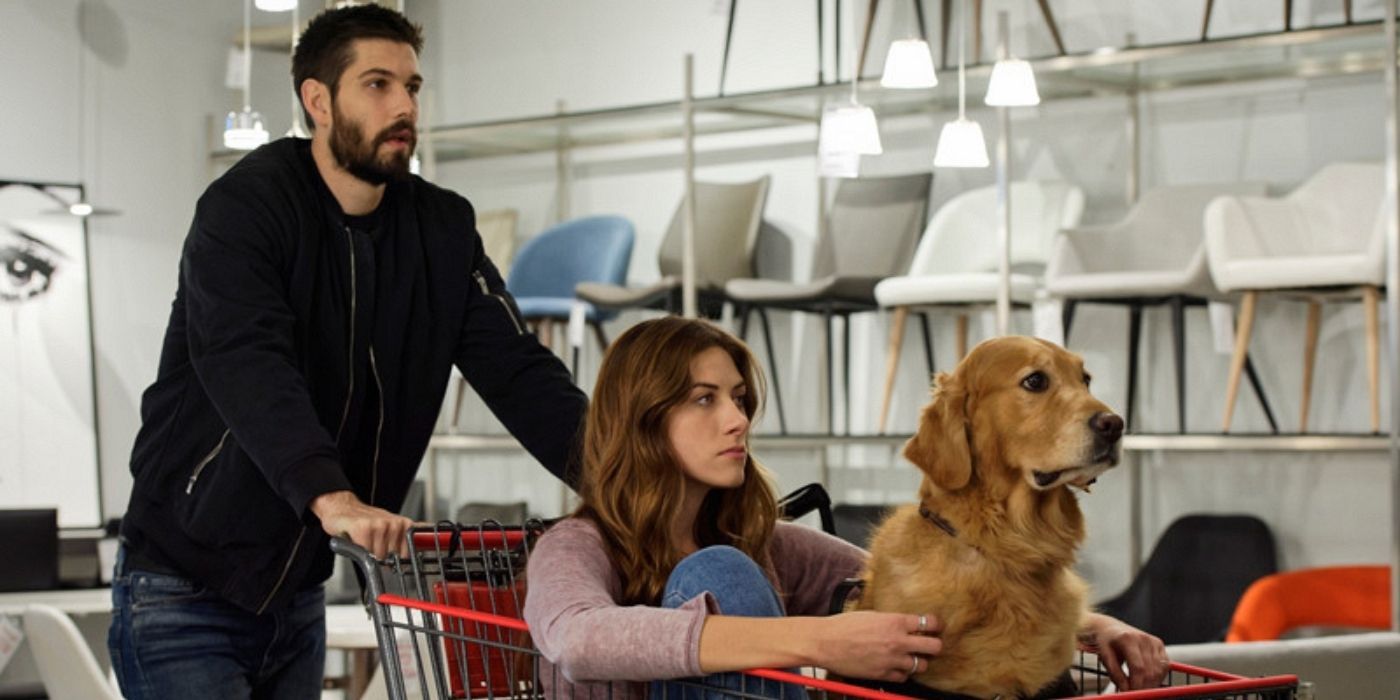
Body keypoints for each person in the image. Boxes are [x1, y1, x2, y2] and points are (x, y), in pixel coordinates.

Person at [106, 5, 586, 699]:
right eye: (378, 84)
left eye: (413, 88)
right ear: (318, 100)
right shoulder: (245, 209)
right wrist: (333, 498)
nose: (403, 106)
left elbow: (521, 373)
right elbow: (249, 362)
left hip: (299, 599)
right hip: (182, 591)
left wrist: (624, 478)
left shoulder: (441, 228)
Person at [522, 317, 1169, 699]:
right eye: (704, 399)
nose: (736, 419)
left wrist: (1092, 626)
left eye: (741, 398)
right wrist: (819, 637)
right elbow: (579, 639)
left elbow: (916, 595)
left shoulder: (764, 541)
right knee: (714, 574)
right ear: (641, 418)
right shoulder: (577, 546)